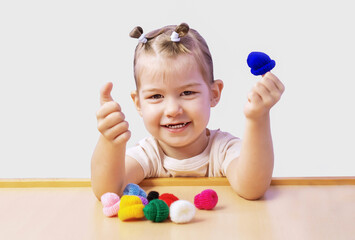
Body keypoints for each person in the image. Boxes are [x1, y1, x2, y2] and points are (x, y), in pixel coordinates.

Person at [91, 23, 285, 201]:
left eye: (187, 93)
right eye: (156, 96)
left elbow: (252, 188)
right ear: (138, 103)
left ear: (214, 94)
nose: (173, 110)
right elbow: (109, 192)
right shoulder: (148, 154)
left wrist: (257, 118)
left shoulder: (224, 150)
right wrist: (109, 142)